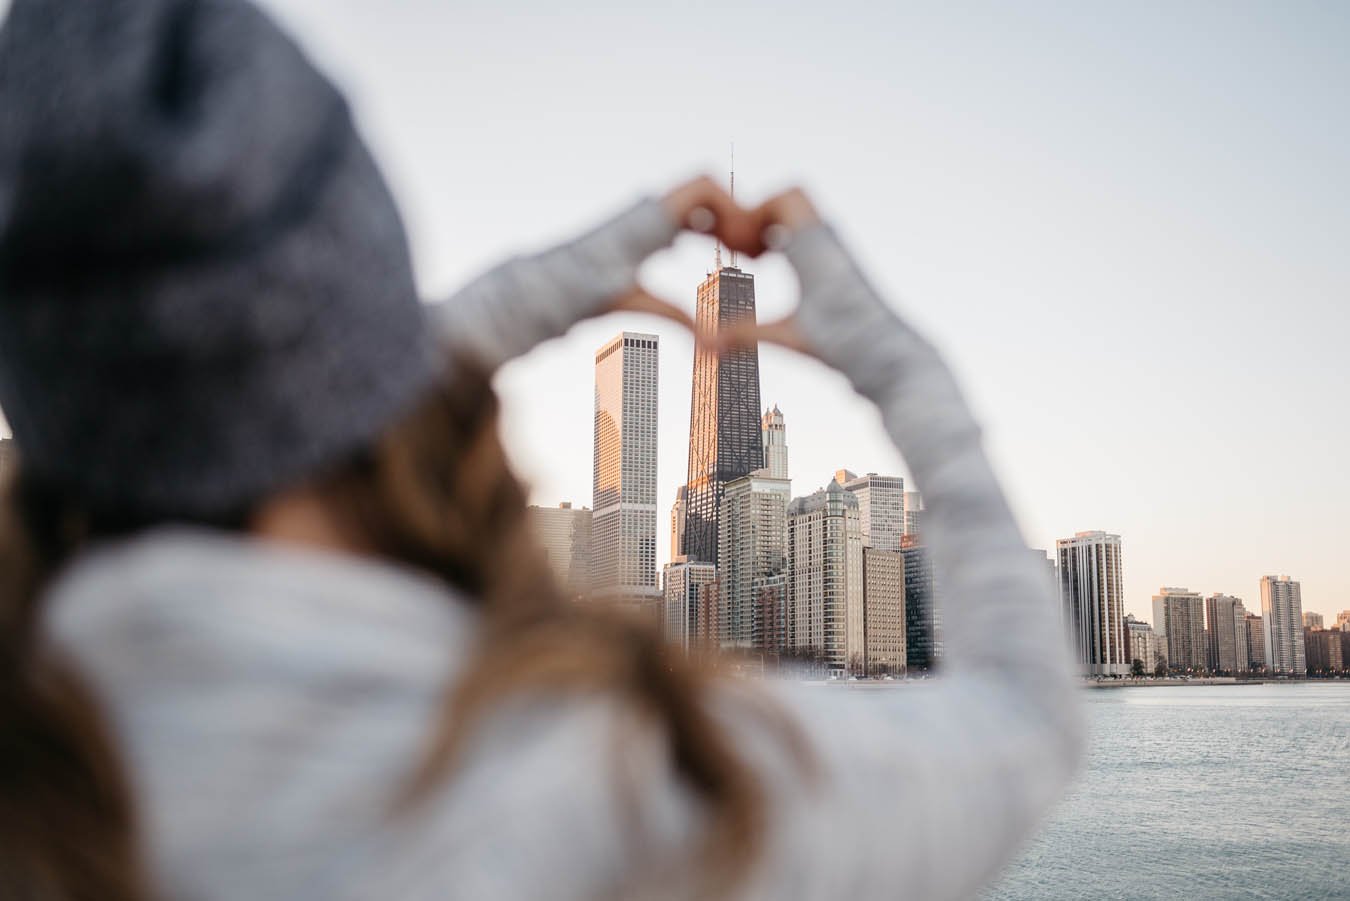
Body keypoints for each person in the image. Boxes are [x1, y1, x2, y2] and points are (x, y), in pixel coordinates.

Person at [0, 1, 1083, 898]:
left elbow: (253, 374)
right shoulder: (620, 786)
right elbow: (1027, 723)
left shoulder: (42, 789)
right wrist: (898, 369)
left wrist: (508, 303)